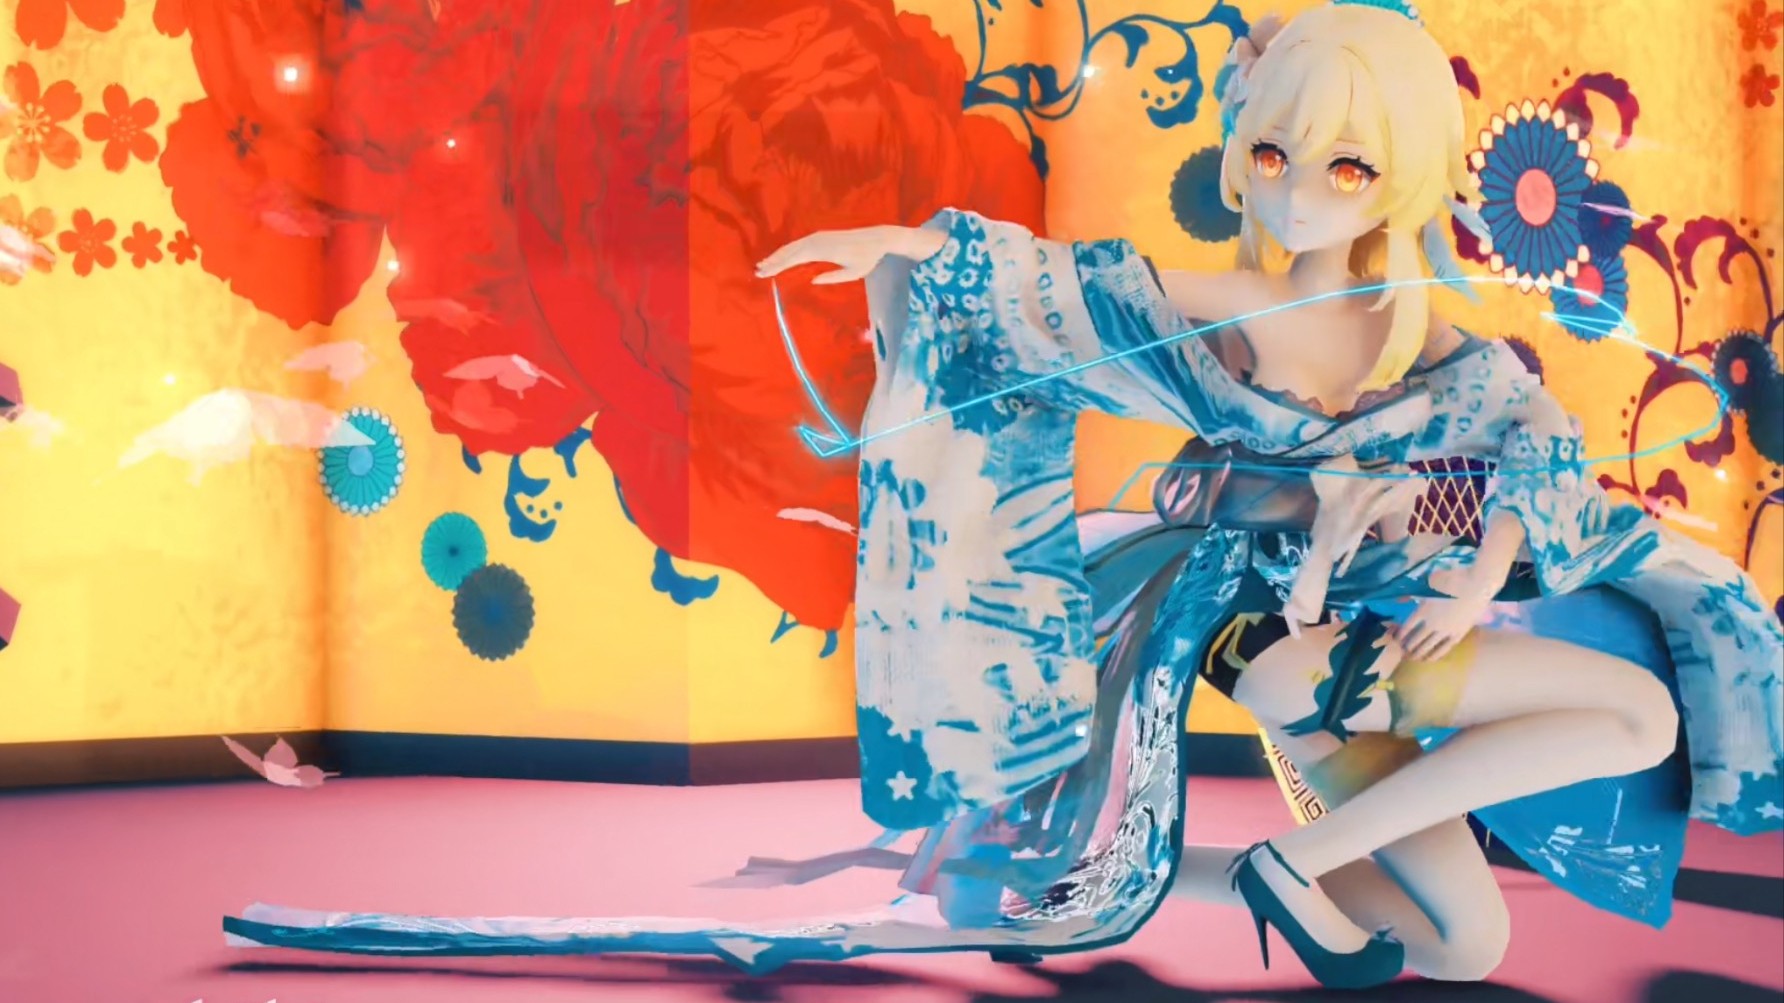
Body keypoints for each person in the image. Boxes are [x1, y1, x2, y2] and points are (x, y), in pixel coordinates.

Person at [222, 2, 1783, 989]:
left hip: (1341, 669)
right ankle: (1300, 861)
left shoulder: (1439, 344)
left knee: (1465, 945)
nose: (1299, 195)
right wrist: (902, 253)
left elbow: (1520, 465)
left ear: (1410, 173)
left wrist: (1463, 549)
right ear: (1242, 155)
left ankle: (1214, 870)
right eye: (1272, 158)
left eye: (1346, 170)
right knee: (1637, 715)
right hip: (1300, 653)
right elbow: (1043, 289)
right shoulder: (1225, 301)